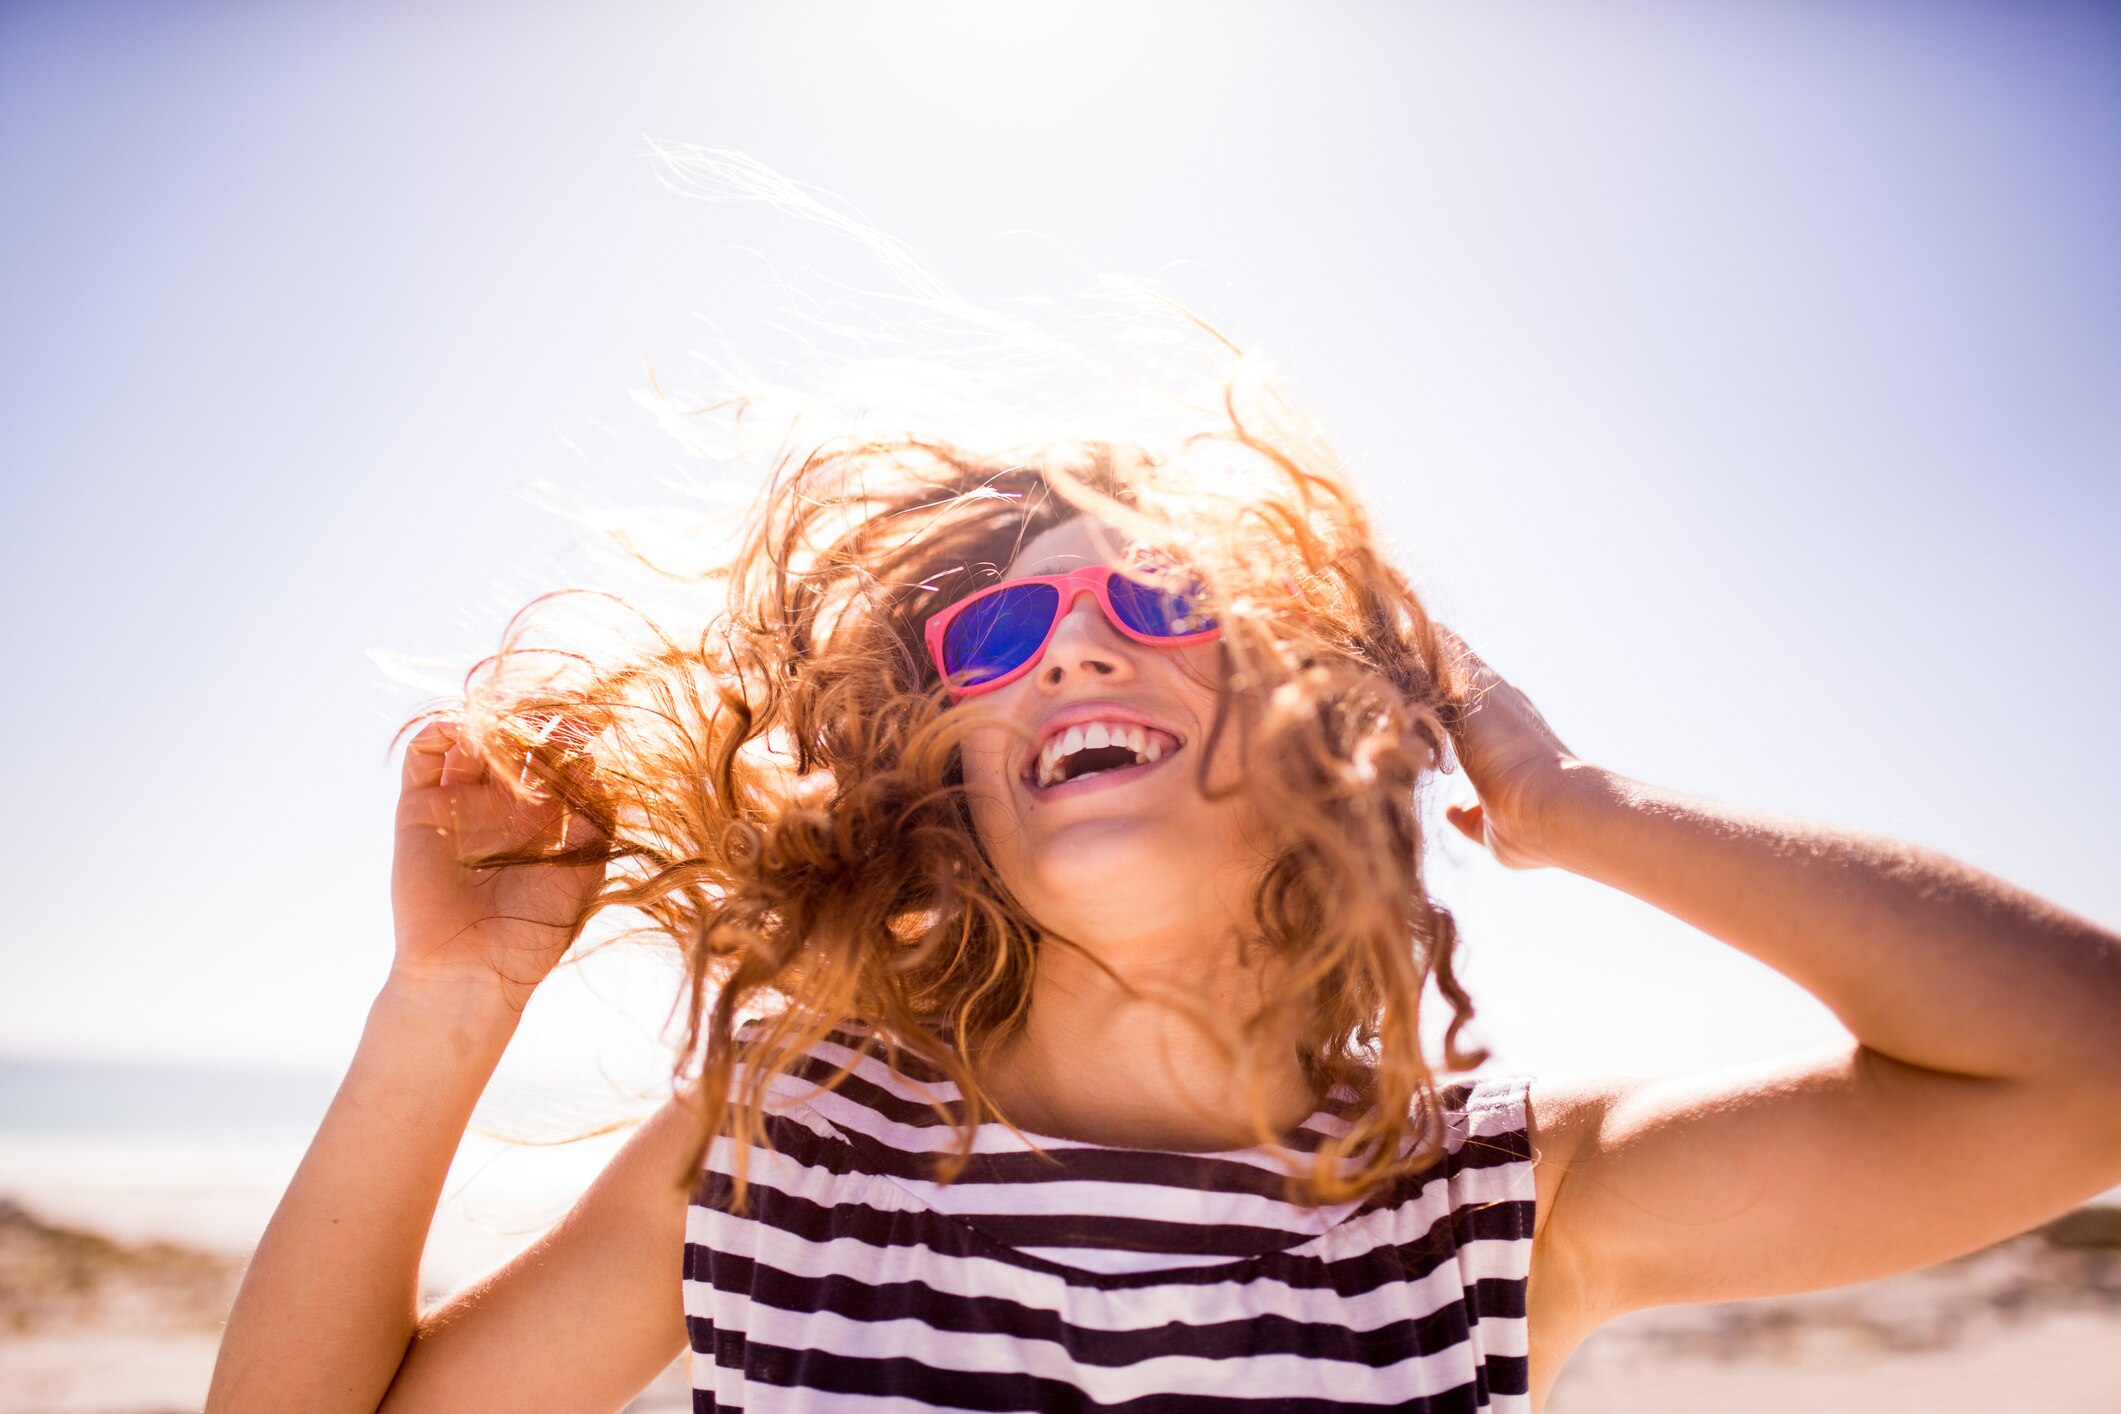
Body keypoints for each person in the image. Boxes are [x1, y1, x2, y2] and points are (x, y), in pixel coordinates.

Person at [208, 380, 2121, 1414]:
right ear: (950, 770)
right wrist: (446, 1002)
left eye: (1164, 605)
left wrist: (1572, 805)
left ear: (1318, 740)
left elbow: (2079, 1062)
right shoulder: (789, 1150)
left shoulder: (1483, 1218)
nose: (1068, 649)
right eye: (1003, 623)